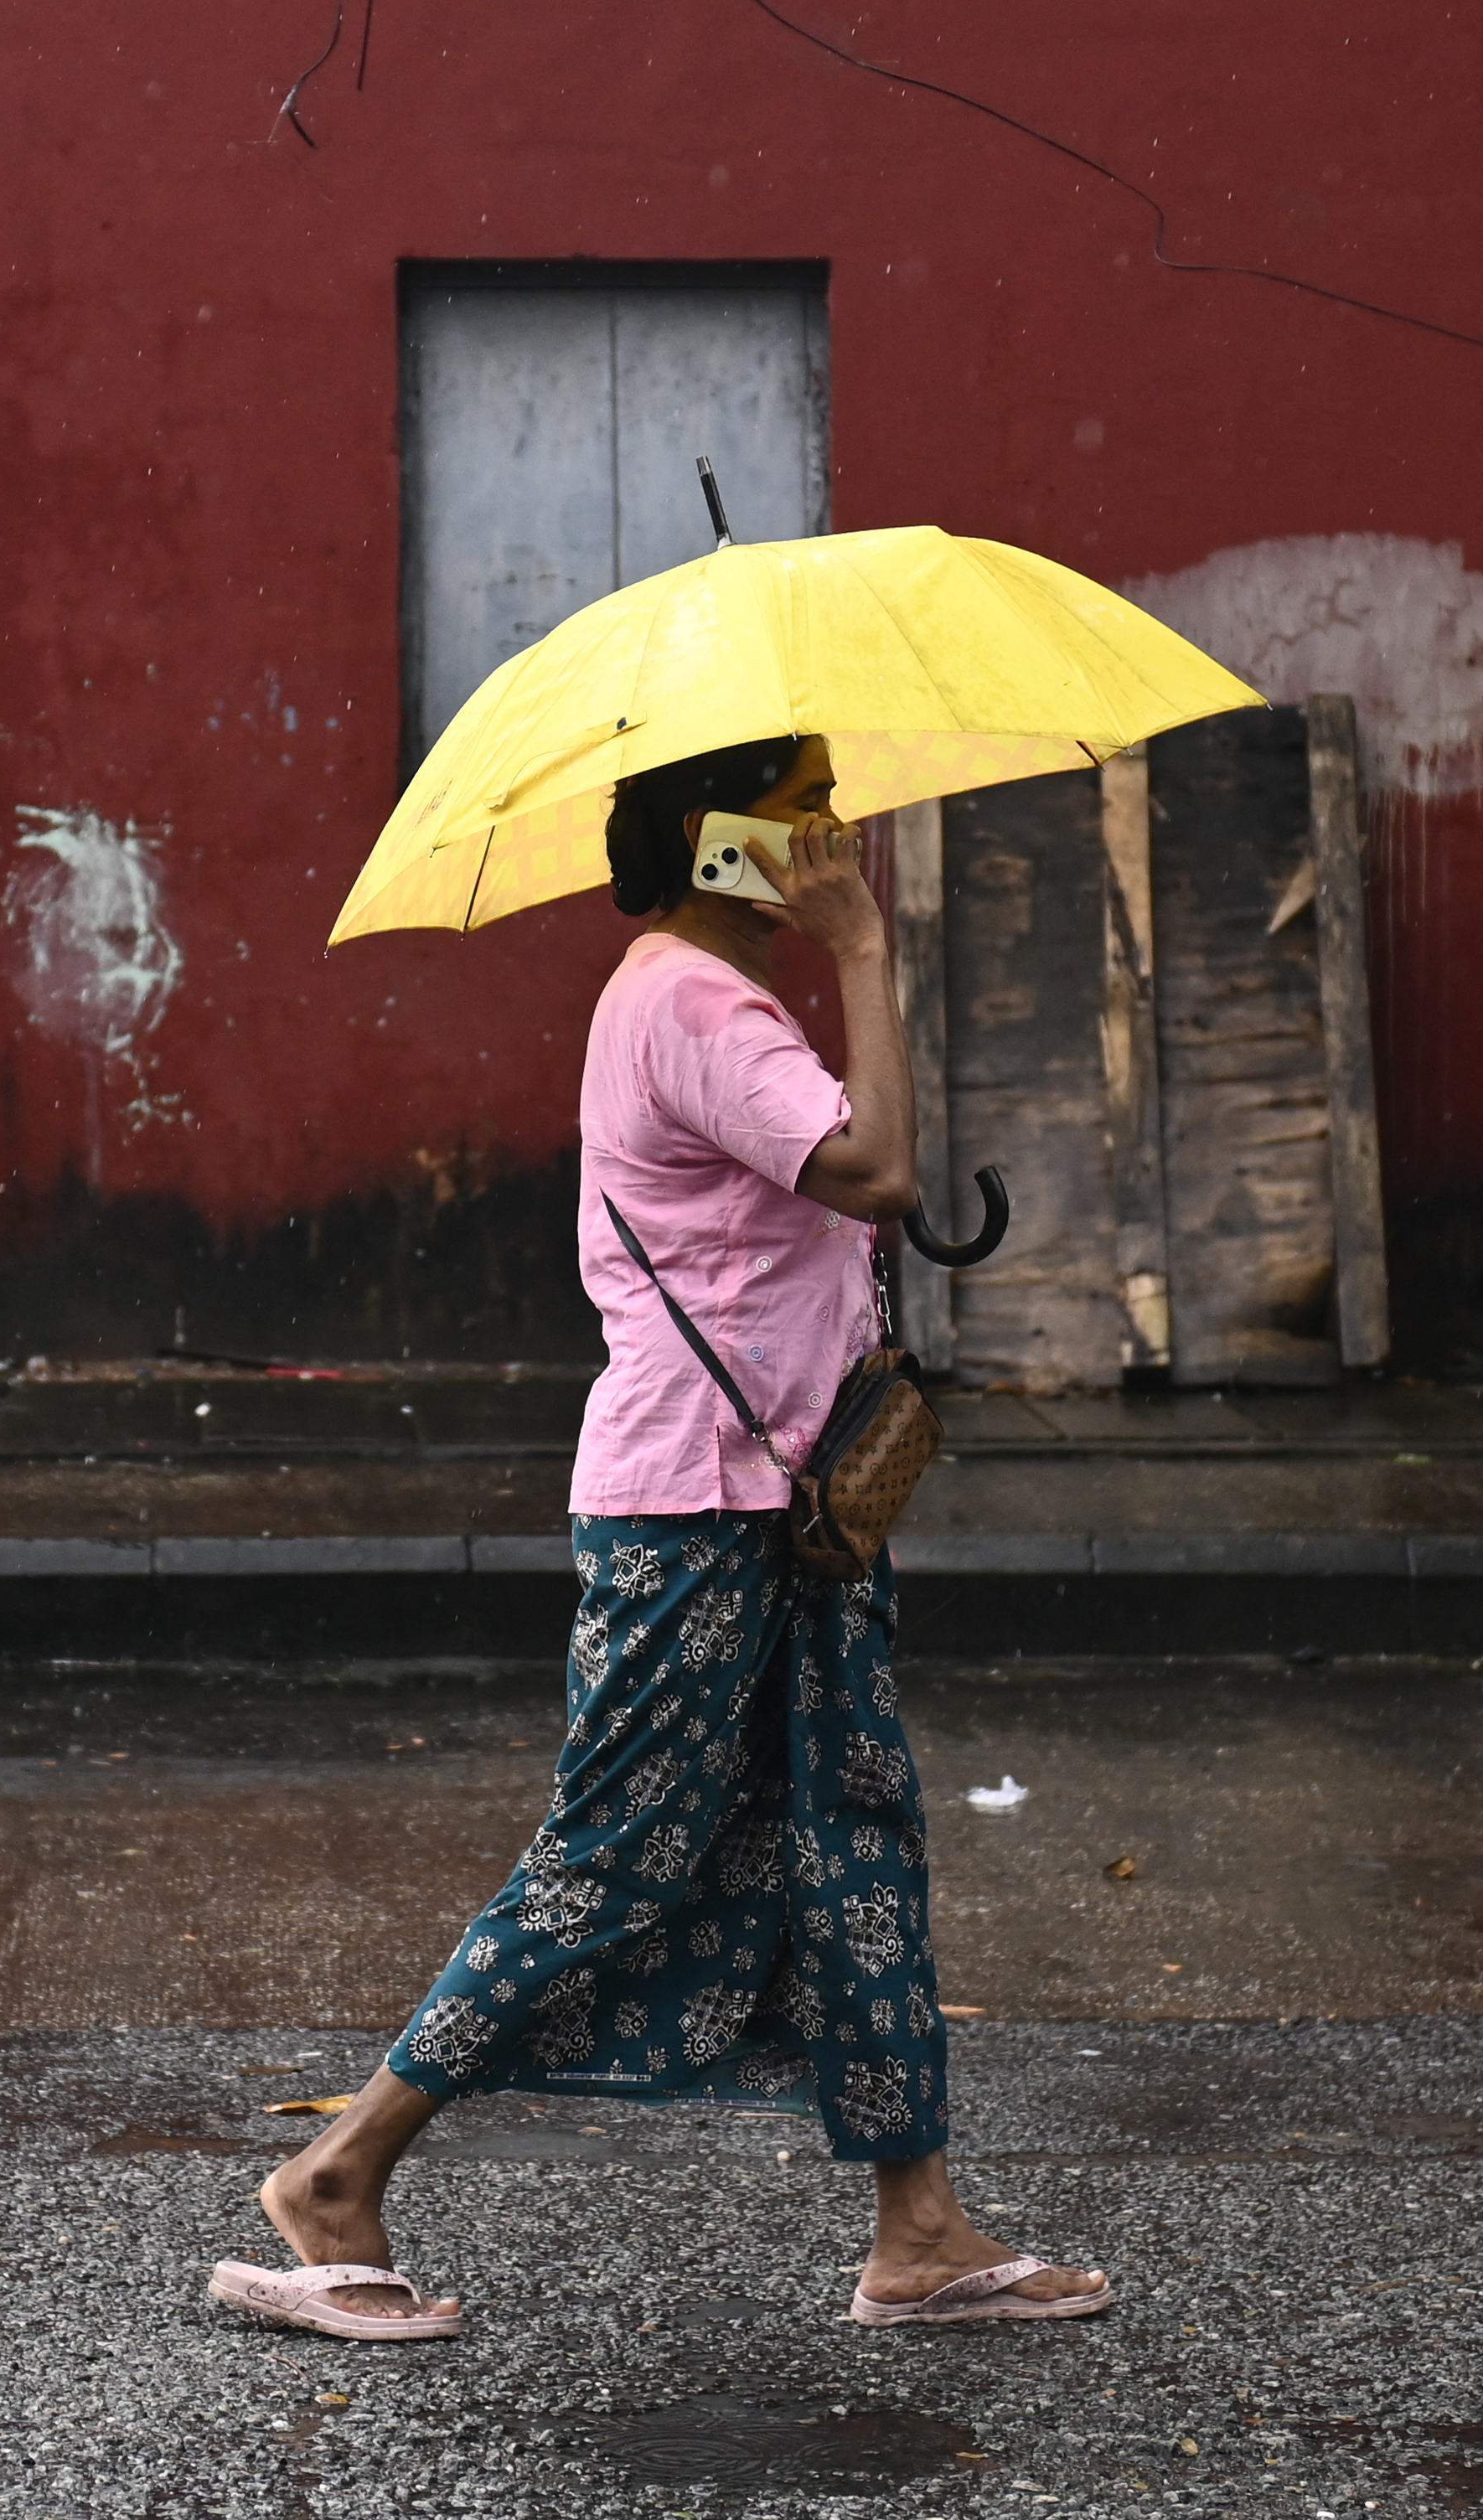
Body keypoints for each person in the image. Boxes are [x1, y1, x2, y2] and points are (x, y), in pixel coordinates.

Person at [211, 732, 1114, 2341]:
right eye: (801, 812)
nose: (834, 835)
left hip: (781, 1507)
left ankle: (922, 2229)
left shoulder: (710, 1001)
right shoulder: (693, 1003)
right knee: (618, 1851)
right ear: (717, 847)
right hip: (698, 1504)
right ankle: (337, 2175)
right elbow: (884, 1168)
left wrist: (839, 958)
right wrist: (865, 949)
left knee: (853, 1840)